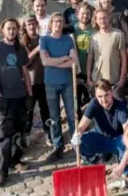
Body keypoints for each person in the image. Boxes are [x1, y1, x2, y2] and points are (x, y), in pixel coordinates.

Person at [0, 18, 34, 188]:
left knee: (20, 135)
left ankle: (15, 160)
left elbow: (25, 73)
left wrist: (30, 95)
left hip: (20, 98)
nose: (12, 31)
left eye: (14, 28)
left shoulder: (20, 48)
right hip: (4, 100)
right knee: (4, 138)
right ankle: (2, 172)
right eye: (9, 28)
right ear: (3, 30)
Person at [71, 79, 128, 183]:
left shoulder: (121, 107)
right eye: (100, 96)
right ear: (95, 95)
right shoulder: (93, 103)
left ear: (111, 92)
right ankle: (96, 163)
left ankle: (121, 163)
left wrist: (122, 165)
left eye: (106, 95)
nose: (104, 100)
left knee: (127, 142)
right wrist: (77, 134)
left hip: (116, 140)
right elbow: (82, 125)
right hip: (99, 137)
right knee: (77, 143)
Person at [39, 12, 78, 161]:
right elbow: (45, 62)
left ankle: (76, 143)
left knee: (71, 114)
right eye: (55, 21)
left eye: (61, 21)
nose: (58, 24)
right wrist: (63, 58)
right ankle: (58, 145)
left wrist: (55, 60)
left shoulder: (68, 39)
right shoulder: (45, 40)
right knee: (54, 117)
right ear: (51, 24)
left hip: (68, 82)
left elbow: (73, 61)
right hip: (51, 83)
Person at [20, 15, 51, 146]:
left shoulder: (43, 39)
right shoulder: (22, 43)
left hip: (44, 81)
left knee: (45, 109)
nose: (32, 26)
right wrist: (36, 50)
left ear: (37, 25)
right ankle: (25, 136)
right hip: (30, 83)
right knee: (29, 111)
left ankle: (49, 133)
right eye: (29, 24)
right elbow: (25, 63)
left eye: (33, 24)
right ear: (25, 27)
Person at [87, 7, 127, 91]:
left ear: (109, 18)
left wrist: (122, 80)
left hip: (114, 82)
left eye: (104, 17)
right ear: (96, 20)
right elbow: (90, 59)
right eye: (100, 18)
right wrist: (89, 79)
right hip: (97, 81)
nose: (102, 20)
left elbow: (124, 58)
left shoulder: (118, 34)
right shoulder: (93, 37)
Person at [73, 2, 94, 119]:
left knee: (92, 99)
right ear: (77, 14)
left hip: (92, 70)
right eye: (82, 13)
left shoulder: (95, 30)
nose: (85, 16)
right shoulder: (72, 30)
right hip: (77, 70)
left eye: (87, 14)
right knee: (76, 101)